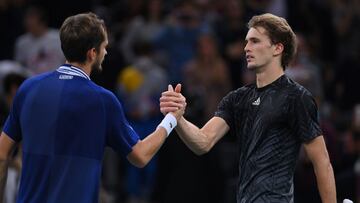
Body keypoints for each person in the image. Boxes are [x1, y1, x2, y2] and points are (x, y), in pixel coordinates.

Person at [0, 12, 183, 203]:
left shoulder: (28, 89)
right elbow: (141, 155)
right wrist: (171, 118)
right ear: (92, 53)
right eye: (104, 47)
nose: (106, 52)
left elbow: (2, 154)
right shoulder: (103, 101)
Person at [160, 13, 337, 202]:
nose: (246, 48)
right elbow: (203, 142)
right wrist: (178, 118)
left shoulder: (297, 98)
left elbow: (322, 162)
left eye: (254, 41)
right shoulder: (237, 99)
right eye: (246, 42)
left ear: (277, 48)